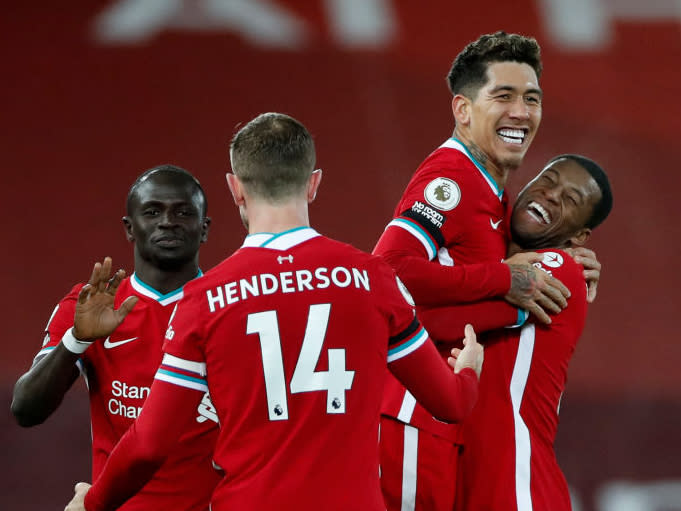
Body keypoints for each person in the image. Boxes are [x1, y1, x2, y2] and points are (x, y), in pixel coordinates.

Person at [63, 112, 484, 511]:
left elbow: (149, 444)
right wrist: (468, 370)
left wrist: (95, 502)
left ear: (235, 188)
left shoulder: (205, 300)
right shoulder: (373, 279)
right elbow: (449, 404)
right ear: (313, 183)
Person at [374, 32, 601, 511]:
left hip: (441, 429)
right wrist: (505, 279)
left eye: (531, 98)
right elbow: (387, 271)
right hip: (413, 419)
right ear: (462, 110)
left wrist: (565, 264)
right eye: (503, 96)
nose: (521, 111)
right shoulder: (450, 180)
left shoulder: (492, 194)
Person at [11, 165, 220, 511]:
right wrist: (77, 339)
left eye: (183, 212)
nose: (168, 221)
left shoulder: (229, 306)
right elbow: (25, 409)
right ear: (129, 228)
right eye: (153, 211)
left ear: (205, 228)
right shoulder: (90, 304)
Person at [417, 154, 613, 511]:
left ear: (579, 236)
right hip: (463, 481)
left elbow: (432, 325)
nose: (552, 195)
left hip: (517, 486)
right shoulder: (487, 258)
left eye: (570, 200)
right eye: (548, 180)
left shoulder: (558, 269)